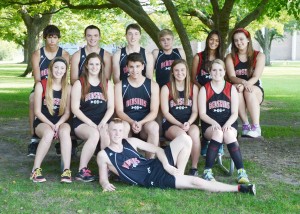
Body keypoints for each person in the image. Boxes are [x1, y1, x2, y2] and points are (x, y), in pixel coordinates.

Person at [97, 118, 256, 195]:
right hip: (152, 179)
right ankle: (240, 188)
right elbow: (103, 178)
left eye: (119, 130)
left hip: (157, 165)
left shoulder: (130, 141)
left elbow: (158, 151)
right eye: (113, 130)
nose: (117, 134)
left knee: (186, 139)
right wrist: (105, 184)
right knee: (195, 182)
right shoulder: (104, 155)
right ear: (108, 132)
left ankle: (179, 173)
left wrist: (166, 165)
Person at [198, 59, 250, 184]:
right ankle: (207, 171)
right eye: (214, 70)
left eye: (220, 70)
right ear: (210, 72)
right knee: (218, 133)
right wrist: (214, 123)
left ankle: (241, 172)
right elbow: (202, 114)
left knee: (228, 134)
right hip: (210, 125)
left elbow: (234, 113)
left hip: (228, 122)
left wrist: (227, 124)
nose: (217, 72)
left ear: (224, 72)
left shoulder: (231, 88)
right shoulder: (204, 89)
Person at [71, 52, 114, 182]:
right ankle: (82, 170)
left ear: (101, 66)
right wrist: (90, 122)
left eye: (97, 64)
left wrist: (103, 122)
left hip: (101, 121)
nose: (94, 67)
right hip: (82, 122)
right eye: (91, 64)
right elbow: (74, 108)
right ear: (86, 66)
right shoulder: (80, 83)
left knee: (106, 133)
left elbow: (111, 107)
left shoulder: (107, 83)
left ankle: (106, 168)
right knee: (94, 134)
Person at [28, 25, 70, 156]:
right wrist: (46, 91)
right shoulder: (37, 54)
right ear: (45, 38)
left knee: (69, 100)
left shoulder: (64, 54)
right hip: (43, 87)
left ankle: (65, 138)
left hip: (59, 87)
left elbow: (64, 75)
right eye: (50, 37)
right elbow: (37, 78)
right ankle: (34, 137)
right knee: (32, 99)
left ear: (58, 39)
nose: (52, 40)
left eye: (55, 37)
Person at [30, 57, 72, 183]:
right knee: (48, 133)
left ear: (65, 71)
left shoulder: (68, 87)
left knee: (64, 132)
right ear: (51, 69)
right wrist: (51, 125)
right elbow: (37, 111)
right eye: (56, 67)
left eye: (62, 68)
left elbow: (68, 112)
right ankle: (35, 170)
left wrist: (58, 124)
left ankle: (66, 170)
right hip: (43, 121)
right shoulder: (41, 85)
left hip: (61, 121)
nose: (59, 70)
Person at [114, 52, 159, 158]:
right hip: (128, 123)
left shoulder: (152, 85)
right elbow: (119, 111)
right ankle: (126, 163)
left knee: (154, 126)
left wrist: (141, 123)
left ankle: (149, 163)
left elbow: (154, 111)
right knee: (122, 126)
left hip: (144, 125)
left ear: (143, 66)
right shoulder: (119, 85)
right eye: (131, 67)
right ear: (126, 68)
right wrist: (132, 122)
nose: (135, 70)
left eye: (137, 66)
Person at [160, 59, 200, 176]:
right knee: (182, 136)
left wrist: (188, 123)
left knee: (194, 134)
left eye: (182, 70)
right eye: (176, 70)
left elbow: (195, 111)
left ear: (187, 71)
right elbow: (165, 113)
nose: (180, 73)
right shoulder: (166, 88)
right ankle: (178, 168)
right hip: (171, 124)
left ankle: (194, 168)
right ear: (172, 72)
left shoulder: (193, 88)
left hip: (189, 122)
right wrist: (179, 124)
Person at [225, 28, 265, 138]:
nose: (239, 42)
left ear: (248, 39)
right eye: (236, 40)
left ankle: (256, 127)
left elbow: (256, 76)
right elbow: (232, 77)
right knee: (236, 90)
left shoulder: (259, 56)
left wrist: (245, 85)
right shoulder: (230, 57)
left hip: (254, 88)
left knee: (248, 91)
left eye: (241, 39)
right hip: (237, 85)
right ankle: (246, 125)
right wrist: (242, 82)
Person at [191, 30, 222, 156]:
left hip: (217, 93)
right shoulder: (199, 57)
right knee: (201, 115)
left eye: (216, 40)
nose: (213, 42)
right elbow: (193, 78)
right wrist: (203, 90)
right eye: (211, 39)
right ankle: (203, 140)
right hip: (201, 91)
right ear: (207, 40)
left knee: (218, 114)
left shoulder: (221, 58)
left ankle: (218, 142)